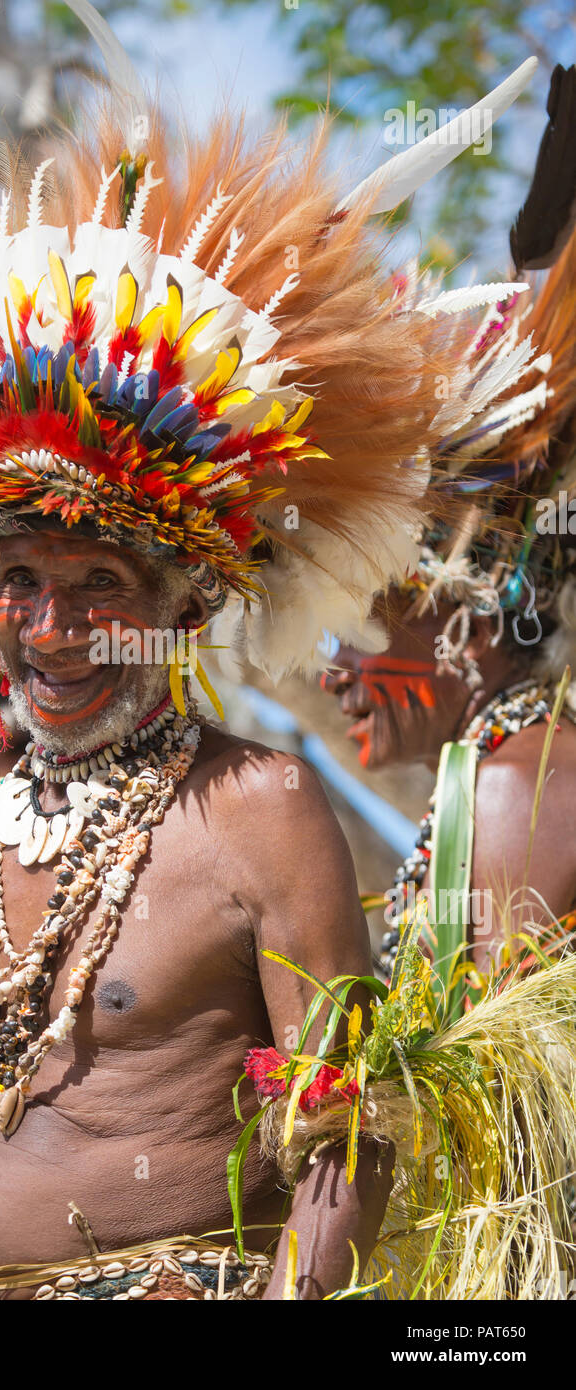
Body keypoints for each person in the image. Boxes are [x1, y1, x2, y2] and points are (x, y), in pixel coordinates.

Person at [0, 1, 539, 1301]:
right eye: (20, 582)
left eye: (97, 586)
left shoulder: (255, 809)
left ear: (189, 603)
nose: (49, 630)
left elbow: (345, 1128)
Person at [323, 66, 576, 976]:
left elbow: (499, 1110)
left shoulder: (521, 778)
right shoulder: (504, 769)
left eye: (358, 627)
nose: (333, 672)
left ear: (466, 621)